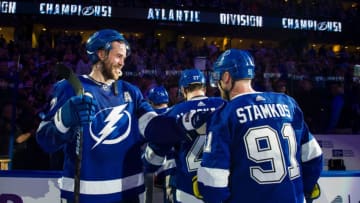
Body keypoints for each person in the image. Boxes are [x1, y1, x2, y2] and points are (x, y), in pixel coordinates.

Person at [35, 29, 186, 203]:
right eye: (118, 56)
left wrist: (182, 124)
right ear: (101, 54)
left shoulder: (131, 91)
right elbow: (44, 140)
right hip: (84, 196)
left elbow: (152, 125)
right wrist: (63, 119)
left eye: (124, 57)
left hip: (129, 195)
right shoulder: (70, 88)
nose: (123, 63)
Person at [195, 49, 323, 203]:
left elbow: (213, 177)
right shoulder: (287, 103)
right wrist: (304, 191)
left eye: (218, 78)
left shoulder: (225, 115)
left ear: (226, 77)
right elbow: (314, 155)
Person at [142, 68, 225, 203]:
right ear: (204, 87)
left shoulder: (175, 112)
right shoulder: (223, 106)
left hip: (188, 188)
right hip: (221, 187)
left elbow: (154, 158)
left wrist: (146, 164)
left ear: (183, 90)